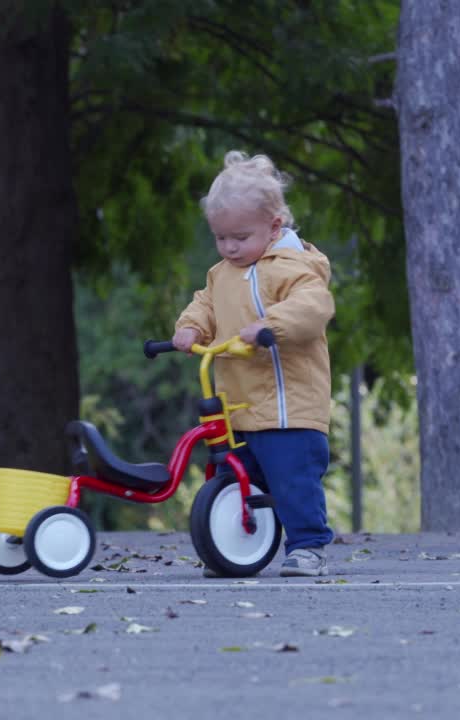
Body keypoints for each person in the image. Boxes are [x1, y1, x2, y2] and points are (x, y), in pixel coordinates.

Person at [173, 151, 335, 577]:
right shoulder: (221, 272)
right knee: (236, 476)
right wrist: (191, 327)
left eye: (240, 237)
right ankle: (231, 546)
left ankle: (308, 545)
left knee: (291, 479)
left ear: (274, 226)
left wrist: (271, 325)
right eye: (220, 237)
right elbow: (205, 304)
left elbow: (314, 306)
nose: (229, 247)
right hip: (238, 406)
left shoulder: (295, 269)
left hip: (288, 409)